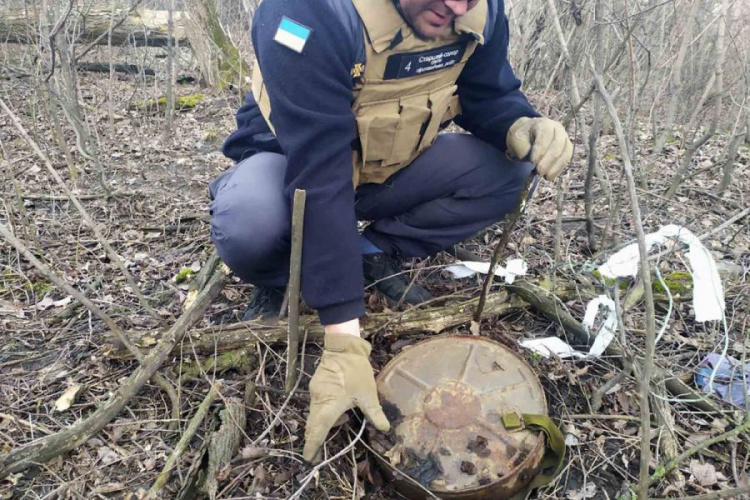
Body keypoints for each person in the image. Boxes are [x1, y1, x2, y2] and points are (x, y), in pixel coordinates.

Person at [210, 0, 573, 463]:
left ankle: (373, 248)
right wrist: (344, 339)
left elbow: (487, 92)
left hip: (391, 164)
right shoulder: (307, 12)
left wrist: (519, 122)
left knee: (507, 172)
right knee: (250, 223)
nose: (457, 7)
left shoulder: (478, 14)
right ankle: (278, 275)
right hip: (292, 169)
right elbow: (320, 173)